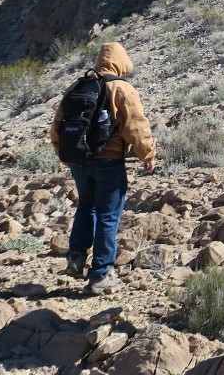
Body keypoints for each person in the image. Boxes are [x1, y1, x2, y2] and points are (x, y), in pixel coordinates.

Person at [50, 42, 156, 295]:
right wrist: (148, 154)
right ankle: (100, 275)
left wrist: (61, 152)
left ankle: (76, 257)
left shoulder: (78, 86)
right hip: (108, 163)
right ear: (120, 62)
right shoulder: (121, 88)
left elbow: (57, 124)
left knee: (86, 206)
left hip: (78, 161)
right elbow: (136, 126)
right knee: (109, 215)